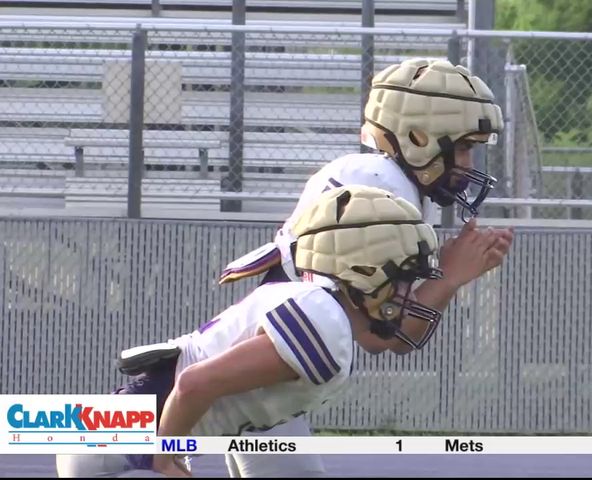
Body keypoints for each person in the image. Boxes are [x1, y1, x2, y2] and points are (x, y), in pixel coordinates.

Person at [214, 58, 514, 476]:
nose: (467, 163)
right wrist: (451, 274)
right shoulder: (380, 191)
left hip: (258, 374)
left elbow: (388, 332)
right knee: (106, 447)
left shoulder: (378, 179)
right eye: (462, 146)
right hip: (250, 375)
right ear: (418, 137)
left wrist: (450, 273)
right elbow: (383, 335)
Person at [56, 185, 447, 477]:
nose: (409, 293)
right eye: (405, 278)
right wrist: (166, 456)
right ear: (363, 273)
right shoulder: (323, 320)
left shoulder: (325, 313)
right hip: (128, 432)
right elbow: (194, 384)